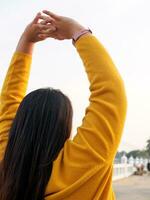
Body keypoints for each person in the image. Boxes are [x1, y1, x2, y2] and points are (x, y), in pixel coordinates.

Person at [0, 10, 127, 200]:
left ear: (20, 123)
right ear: (64, 125)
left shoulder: (6, 160)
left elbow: (8, 101)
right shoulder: (86, 160)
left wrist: (26, 42)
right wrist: (78, 32)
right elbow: (111, 91)